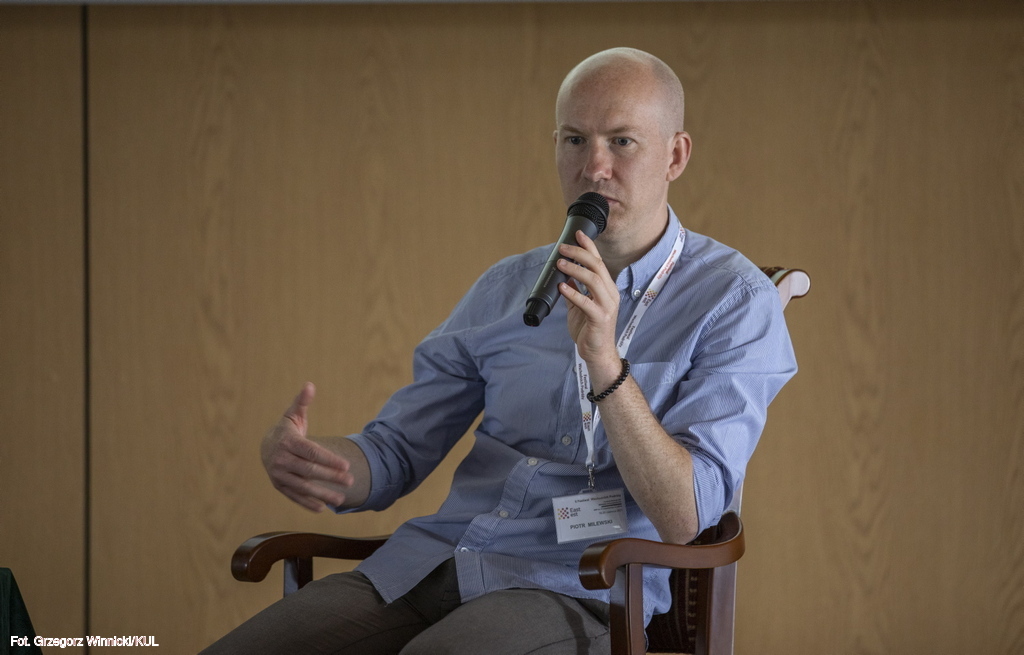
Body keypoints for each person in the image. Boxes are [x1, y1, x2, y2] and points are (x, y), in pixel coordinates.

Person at [202, 47, 796, 655]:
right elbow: (396, 452)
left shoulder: (733, 300)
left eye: (622, 142)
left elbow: (685, 517)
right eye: (575, 140)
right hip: (432, 563)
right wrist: (317, 463)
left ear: (675, 155)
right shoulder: (506, 287)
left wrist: (605, 365)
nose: (594, 167)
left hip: (580, 587)